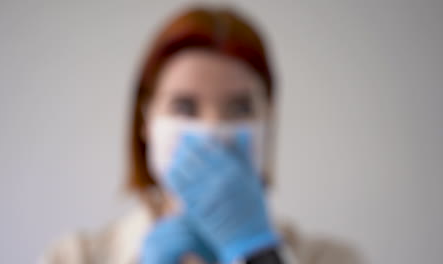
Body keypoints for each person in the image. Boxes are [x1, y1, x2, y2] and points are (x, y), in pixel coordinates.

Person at [40, 6, 364, 264]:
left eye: (239, 109)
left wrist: (261, 255)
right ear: (146, 120)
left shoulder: (332, 259)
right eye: (184, 107)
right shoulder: (73, 258)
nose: (211, 131)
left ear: (269, 120)